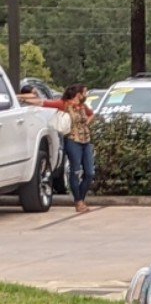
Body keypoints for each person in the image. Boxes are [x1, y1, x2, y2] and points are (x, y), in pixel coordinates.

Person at [42, 84, 95, 212]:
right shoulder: (64, 104)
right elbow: (45, 103)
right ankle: (78, 201)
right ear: (78, 94)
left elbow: (92, 114)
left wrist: (87, 122)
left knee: (89, 173)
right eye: (85, 92)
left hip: (86, 141)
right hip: (72, 140)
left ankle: (81, 199)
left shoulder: (83, 106)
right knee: (75, 170)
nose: (86, 94)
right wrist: (24, 98)